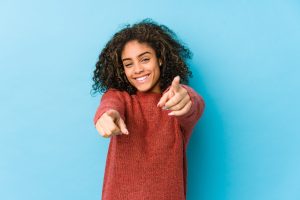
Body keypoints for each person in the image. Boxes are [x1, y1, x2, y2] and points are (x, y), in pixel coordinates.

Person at [91, 18, 205, 200]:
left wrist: (185, 98)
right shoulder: (120, 98)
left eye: (144, 59)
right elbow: (110, 105)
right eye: (128, 64)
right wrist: (106, 115)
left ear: (160, 59)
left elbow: (193, 104)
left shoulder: (174, 100)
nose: (137, 69)